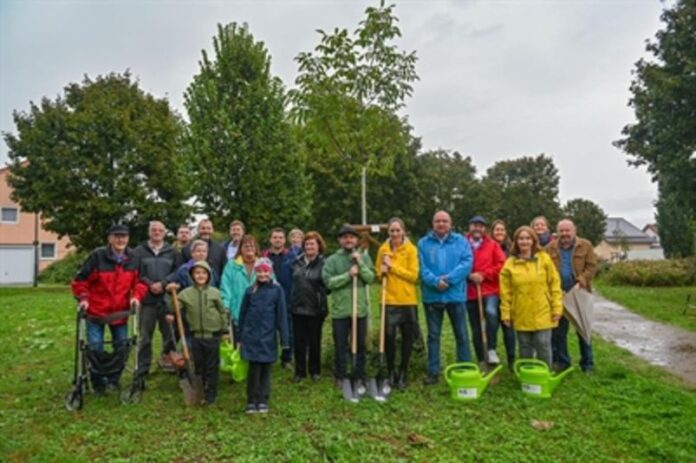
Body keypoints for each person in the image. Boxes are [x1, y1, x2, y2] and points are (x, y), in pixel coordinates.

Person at [71, 224, 147, 394]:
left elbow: (141, 282)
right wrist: (83, 298)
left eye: (124, 236)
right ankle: (98, 382)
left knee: (121, 348)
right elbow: (80, 280)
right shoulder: (97, 257)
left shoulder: (135, 258)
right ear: (110, 238)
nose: (121, 240)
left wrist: (136, 297)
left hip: (120, 312)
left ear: (128, 239)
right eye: (117, 236)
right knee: (95, 348)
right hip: (96, 312)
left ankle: (113, 380)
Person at [418, 211, 473, 385]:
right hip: (432, 296)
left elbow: (467, 263)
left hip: (455, 294)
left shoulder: (461, 242)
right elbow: (421, 266)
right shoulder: (423, 243)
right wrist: (435, 281)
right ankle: (433, 372)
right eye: (438, 221)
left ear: (450, 223)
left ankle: (464, 368)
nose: (441, 224)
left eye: (445, 221)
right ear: (433, 223)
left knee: (462, 334)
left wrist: (448, 280)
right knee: (433, 336)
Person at [500, 226, 562, 367]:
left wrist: (557, 307)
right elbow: (505, 292)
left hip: (543, 308)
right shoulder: (509, 264)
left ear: (533, 240)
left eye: (528, 238)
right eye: (521, 238)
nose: (524, 242)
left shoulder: (544, 259)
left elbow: (554, 284)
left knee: (543, 342)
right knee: (525, 345)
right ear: (516, 242)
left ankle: (544, 373)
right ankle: (527, 375)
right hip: (521, 310)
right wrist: (506, 313)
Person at [166, 261, 227, 405]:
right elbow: (174, 307)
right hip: (196, 336)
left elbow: (222, 312)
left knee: (212, 365)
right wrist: (171, 293)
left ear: (209, 275)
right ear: (192, 276)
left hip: (212, 335)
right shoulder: (185, 294)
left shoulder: (215, 292)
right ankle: (201, 390)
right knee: (199, 365)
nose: (200, 276)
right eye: (197, 273)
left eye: (204, 273)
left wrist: (225, 330)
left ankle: (212, 393)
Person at [322, 224, 375, 389]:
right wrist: (347, 275)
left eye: (351, 237)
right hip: (341, 311)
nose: (348, 240)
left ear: (356, 240)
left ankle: (359, 374)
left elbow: (370, 278)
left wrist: (360, 264)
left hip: (359, 310)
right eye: (345, 237)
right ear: (340, 240)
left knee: (360, 344)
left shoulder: (364, 258)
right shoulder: (332, 260)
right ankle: (341, 375)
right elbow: (328, 282)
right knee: (341, 345)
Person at [546, 219, 598, 374]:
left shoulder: (585, 246)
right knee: (559, 332)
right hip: (558, 294)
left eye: (567, 230)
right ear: (557, 233)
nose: (565, 234)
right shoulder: (549, 249)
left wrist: (581, 281)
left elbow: (592, 266)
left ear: (574, 230)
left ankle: (587, 363)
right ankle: (563, 362)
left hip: (579, 292)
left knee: (583, 329)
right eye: (561, 231)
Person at [239, 258, 289, 414]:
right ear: (255, 272)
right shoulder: (249, 291)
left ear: (270, 272)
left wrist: (285, 339)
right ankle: (251, 400)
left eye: (265, 271)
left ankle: (263, 399)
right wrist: (240, 337)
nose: (262, 274)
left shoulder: (277, 291)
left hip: (268, 337)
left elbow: (282, 316)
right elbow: (242, 314)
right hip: (251, 336)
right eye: (259, 271)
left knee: (265, 369)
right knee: (253, 369)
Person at [133, 221, 183, 379]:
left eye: (160, 230)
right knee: (145, 337)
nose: (157, 232)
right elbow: (136, 272)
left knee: (169, 335)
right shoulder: (139, 251)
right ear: (149, 232)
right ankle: (142, 369)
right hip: (147, 300)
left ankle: (168, 363)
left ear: (165, 233)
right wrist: (149, 284)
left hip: (166, 300)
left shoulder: (172, 251)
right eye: (153, 230)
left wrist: (163, 283)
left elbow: (177, 271)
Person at [375, 217, 419, 390]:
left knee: (407, 338)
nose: (395, 233)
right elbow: (378, 274)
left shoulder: (411, 250)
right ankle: (391, 370)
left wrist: (392, 267)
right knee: (389, 337)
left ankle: (404, 371)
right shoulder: (383, 250)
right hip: (388, 299)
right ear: (388, 232)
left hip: (407, 300)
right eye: (392, 230)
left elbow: (413, 276)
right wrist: (381, 272)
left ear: (403, 231)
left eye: (397, 230)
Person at [464, 216, 512, 367]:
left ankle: (491, 348)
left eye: (481, 225)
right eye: (474, 225)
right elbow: (457, 262)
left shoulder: (492, 245)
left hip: (490, 289)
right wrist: (469, 275)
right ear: (469, 227)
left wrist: (483, 275)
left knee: (491, 313)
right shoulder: (461, 243)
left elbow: (501, 264)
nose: (477, 228)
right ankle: (481, 359)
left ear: (485, 229)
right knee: (476, 326)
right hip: (470, 291)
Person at [289, 231, 328, 383]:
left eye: (313, 244)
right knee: (299, 341)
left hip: (316, 308)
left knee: (314, 341)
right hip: (297, 307)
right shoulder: (296, 262)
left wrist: (320, 295)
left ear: (319, 246)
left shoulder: (324, 263)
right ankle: (299, 372)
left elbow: (328, 286)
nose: (309, 246)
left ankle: (315, 370)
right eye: (307, 244)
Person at [263, 227, 293, 368]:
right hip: (268, 297)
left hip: (286, 297)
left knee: (287, 329)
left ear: (284, 240)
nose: (277, 240)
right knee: (268, 329)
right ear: (270, 239)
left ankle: (286, 358)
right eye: (275, 237)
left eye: (280, 237)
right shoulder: (263, 257)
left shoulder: (291, 256)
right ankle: (269, 356)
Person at [221, 234, 261, 340]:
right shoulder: (231, 265)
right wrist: (226, 305)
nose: (249, 248)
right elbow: (226, 286)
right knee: (238, 344)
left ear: (256, 248)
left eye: (251, 246)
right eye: (246, 246)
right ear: (240, 249)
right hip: (237, 310)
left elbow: (272, 284)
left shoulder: (263, 264)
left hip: (259, 312)